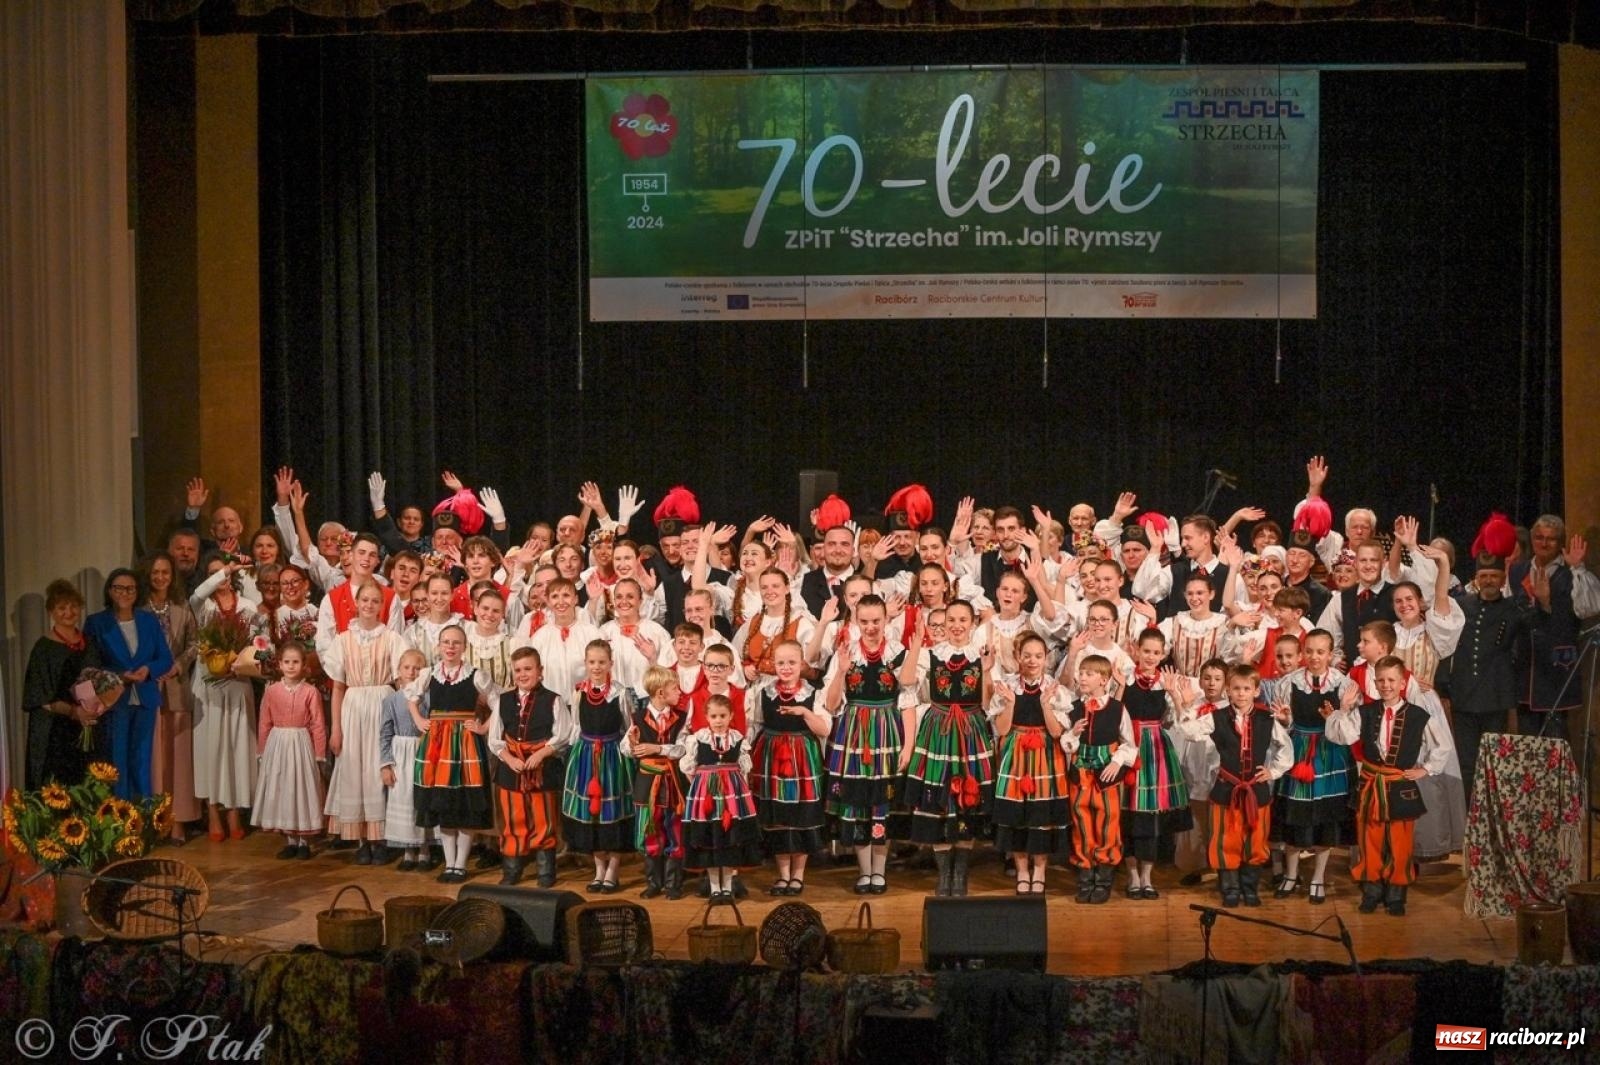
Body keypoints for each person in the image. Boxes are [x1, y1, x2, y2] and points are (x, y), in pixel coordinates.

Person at [1325, 655, 1453, 916]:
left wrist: (1426, 769)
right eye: (1381, 680)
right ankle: (1372, 890)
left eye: (1392, 680)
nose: (1386, 685)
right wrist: (1343, 709)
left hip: (1399, 787)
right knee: (1369, 839)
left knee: (1399, 841)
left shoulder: (1418, 715)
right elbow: (1341, 735)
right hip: (1370, 783)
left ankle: (1396, 893)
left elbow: (1443, 745)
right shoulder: (1366, 712)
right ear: (1375, 683)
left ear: (1403, 683)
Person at [898, 601, 999, 896]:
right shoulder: (931, 654)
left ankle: (960, 873)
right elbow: (906, 681)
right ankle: (943, 874)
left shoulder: (980, 655)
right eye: (951, 620)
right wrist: (917, 643)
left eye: (962, 620)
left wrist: (987, 671)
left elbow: (987, 703)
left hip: (970, 731)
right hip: (938, 731)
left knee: (968, 798)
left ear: (972, 623)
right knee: (938, 800)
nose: (956, 625)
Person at [1175, 663, 1292, 908]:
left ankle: (1249, 888)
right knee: (1226, 839)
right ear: (1228, 690)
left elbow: (1285, 747)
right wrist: (1185, 706)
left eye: (1246, 689)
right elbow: (1189, 731)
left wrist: (1273, 771)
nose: (1241, 693)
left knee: (1255, 839)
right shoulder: (1217, 717)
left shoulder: (1266, 719)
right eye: (1236, 688)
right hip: (1226, 789)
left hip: (1255, 790)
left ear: (1256, 691)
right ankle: (1229, 888)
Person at [821, 595, 905, 895]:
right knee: (856, 801)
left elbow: (908, 698)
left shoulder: (897, 652)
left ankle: (879, 871)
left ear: (885, 620)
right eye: (865, 621)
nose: (870, 627)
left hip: (886, 730)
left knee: (881, 800)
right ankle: (864, 871)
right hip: (854, 731)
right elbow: (831, 704)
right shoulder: (847, 652)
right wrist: (842, 671)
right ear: (856, 620)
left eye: (876, 621)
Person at [1264, 629, 1354, 903]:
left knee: (1326, 819)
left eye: (1320, 652)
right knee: (1295, 815)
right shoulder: (1289, 683)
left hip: (1330, 754)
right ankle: (1291, 875)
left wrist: (1338, 714)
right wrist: (1284, 720)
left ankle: (1318, 877)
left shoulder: (1343, 684)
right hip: (1298, 750)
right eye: (1310, 651)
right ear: (1303, 653)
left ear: (1330, 654)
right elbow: (1284, 724)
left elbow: (1350, 731)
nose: (1314, 657)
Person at [323, 579, 406, 864]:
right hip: (353, 708)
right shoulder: (342, 640)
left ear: (382, 606)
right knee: (355, 769)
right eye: (365, 600)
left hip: (382, 704)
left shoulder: (392, 639)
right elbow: (337, 688)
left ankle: (380, 838)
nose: (369, 605)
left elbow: (401, 683)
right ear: (356, 603)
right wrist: (336, 729)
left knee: (379, 768)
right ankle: (361, 839)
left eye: (375, 601)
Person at [408, 624, 494, 884]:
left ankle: (461, 864)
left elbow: (498, 701)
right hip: (437, 744)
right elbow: (411, 697)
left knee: (465, 804)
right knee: (444, 804)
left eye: (456, 642)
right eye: (446, 642)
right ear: (439, 646)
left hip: (465, 743)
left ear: (464, 647)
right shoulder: (429, 673)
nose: (450, 647)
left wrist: (482, 727)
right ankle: (449, 863)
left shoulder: (475, 675)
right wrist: (419, 720)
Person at [990, 632, 1071, 895]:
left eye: (1038, 656)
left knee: (1041, 815)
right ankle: (1022, 870)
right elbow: (1002, 730)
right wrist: (1010, 704)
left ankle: (1040, 870)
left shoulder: (1056, 689)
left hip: (1045, 755)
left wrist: (1046, 706)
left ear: (1046, 658)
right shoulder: (1007, 687)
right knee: (1017, 815)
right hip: (1016, 754)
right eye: (1027, 655)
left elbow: (1057, 732)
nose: (1032, 661)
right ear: (1018, 657)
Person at [84, 569, 173, 800]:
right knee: (117, 762)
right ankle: (119, 815)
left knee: (142, 761)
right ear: (110, 591)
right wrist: (120, 675)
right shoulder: (96, 622)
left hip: (145, 698)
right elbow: (90, 666)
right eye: (119, 588)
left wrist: (149, 670)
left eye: (130, 588)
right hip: (115, 700)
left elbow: (165, 658)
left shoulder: (148, 620)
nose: (125, 593)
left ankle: (143, 815)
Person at [488, 647, 573, 887]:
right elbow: (495, 738)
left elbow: (563, 735)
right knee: (513, 818)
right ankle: (512, 869)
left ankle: (546, 871)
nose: (523, 674)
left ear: (540, 671)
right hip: (511, 768)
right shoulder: (503, 700)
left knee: (544, 819)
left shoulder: (553, 700)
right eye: (518, 670)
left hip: (542, 769)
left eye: (528, 669)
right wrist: (509, 758)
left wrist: (542, 753)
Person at [750, 640, 830, 895]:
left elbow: (824, 729)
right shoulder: (763, 691)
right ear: (773, 664)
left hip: (802, 758)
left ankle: (798, 875)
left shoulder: (813, 692)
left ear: (802, 664)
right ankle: (783, 875)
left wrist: (804, 713)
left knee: (801, 814)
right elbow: (755, 724)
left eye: (792, 662)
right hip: (771, 755)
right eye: (781, 662)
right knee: (778, 815)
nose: (786, 667)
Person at [189, 554, 259, 841]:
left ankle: (234, 810)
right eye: (214, 573)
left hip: (238, 681)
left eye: (226, 572)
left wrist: (242, 662)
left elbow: (258, 642)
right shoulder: (202, 606)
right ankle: (213, 812)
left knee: (237, 747)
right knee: (211, 748)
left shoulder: (248, 606)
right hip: (209, 684)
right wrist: (225, 569)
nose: (221, 576)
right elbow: (197, 593)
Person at [1510, 516, 1599, 739]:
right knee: (1527, 740)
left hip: (1556, 669)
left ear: (1560, 542)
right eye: (1539, 537)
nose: (1544, 543)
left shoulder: (1571, 573)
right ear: (1532, 539)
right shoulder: (1518, 571)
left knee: (1555, 742)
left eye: (1551, 539)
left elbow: (1589, 609)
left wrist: (1576, 567)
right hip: (1526, 668)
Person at [1119, 630, 1192, 899]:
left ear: (1163, 655)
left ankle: (1147, 877)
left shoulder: (1165, 682)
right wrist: (1119, 686)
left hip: (1156, 749)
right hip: (1128, 744)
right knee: (1128, 813)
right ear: (1137, 650)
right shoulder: (1125, 677)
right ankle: (1132, 875)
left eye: (1156, 652)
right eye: (1146, 651)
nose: (1150, 657)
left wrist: (1174, 693)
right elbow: (1113, 711)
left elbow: (1179, 720)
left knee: (1150, 816)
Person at [1448, 552, 1528, 800]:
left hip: (1495, 697)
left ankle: (1491, 814)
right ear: (1476, 578)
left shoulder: (1514, 609)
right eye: (1484, 576)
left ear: (1503, 579)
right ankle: (1467, 813)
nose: (1489, 580)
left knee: (1494, 762)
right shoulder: (1461, 605)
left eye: (1494, 575)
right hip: (1464, 696)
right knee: (1466, 762)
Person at [561, 640, 636, 893]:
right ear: (585, 663)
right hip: (585, 756)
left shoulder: (620, 693)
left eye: (602, 662)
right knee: (591, 814)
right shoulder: (579, 692)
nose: (596, 667)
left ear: (610, 663)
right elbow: (575, 726)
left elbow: (628, 727)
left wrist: (627, 755)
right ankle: (598, 870)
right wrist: (573, 757)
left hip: (612, 757)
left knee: (612, 813)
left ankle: (613, 870)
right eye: (592, 662)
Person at [1061, 654, 1137, 904]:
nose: (1082, 677)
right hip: (1081, 774)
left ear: (1104, 680)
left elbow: (1129, 743)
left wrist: (1117, 761)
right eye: (1081, 673)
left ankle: (1103, 878)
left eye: (1089, 673)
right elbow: (1066, 744)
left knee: (1108, 824)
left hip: (1106, 777)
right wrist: (1073, 734)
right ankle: (1085, 876)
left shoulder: (1117, 709)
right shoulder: (1073, 707)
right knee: (1081, 823)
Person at [679, 694, 762, 903]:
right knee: (710, 840)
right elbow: (688, 768)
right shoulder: (698, 738)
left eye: (723, 716)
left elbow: (744, 770)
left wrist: (738, 794)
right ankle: (715, 888)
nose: (718, 720)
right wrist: (701, 785)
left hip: (732, 797)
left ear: (731, 716)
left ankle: (727, 887)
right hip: (706, 796)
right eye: (714, 716)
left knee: (728, 840)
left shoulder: (737, 739)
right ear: (706, 717)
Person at [22, 579, 103, 788]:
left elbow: (99, 682)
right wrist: (74, 712)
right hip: (55, 732)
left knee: (87, 786)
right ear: (51, 611)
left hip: (86, 727)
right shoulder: (43, 649)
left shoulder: (90, 643)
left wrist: (95, 708)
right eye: (61, 608)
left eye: (73, 606)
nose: (69, 612)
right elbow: (40, 698)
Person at [142, 552, 199, 842]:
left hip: (176, 688)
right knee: (154, 758)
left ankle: (178, 820)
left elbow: (194, 643)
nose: (160, 577)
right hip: (148, 688)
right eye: (155, 572)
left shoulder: (181, 606)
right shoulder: (139, 608)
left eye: (165, 572)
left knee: (178, 759)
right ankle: (155, 819)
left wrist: (178, 665)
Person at [251, 644, 327, 859]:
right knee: (283, 789)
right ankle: (290, 840)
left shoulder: (310, 692)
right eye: (287, 662)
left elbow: (318, 724)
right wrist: (262, 750)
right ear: (280, 665)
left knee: (301, 789)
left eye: (296, 662)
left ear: (303, 665)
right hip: (278, 745)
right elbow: (264, 722)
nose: (291, 666)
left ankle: (304, 841)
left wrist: (319, 753)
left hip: (300, 744)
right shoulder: (272, 691)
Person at [621, 666, 689, 899]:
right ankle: (653, 882)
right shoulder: (638, 718)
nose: (679, 692)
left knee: (675, 830)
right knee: (651, 829)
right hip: (648, 783)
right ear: (661, 693)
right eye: (675, 688)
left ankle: (673, 884)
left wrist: (657, 748)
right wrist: (632, 744)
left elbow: (683, 748)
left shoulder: (680, 718)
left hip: (672, 782)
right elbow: (626, 749)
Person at [378, 649, 437, 872]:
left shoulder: (428, 698)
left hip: (422, 751)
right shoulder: (391, 700)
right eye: (407, 667)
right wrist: (386, 764)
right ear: (399, 670)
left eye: (417, 668)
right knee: (404, 799)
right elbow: (385, 733)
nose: (412, 672)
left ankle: (424, 850)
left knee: (421, 799)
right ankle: (407, 851)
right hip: (400, 755)